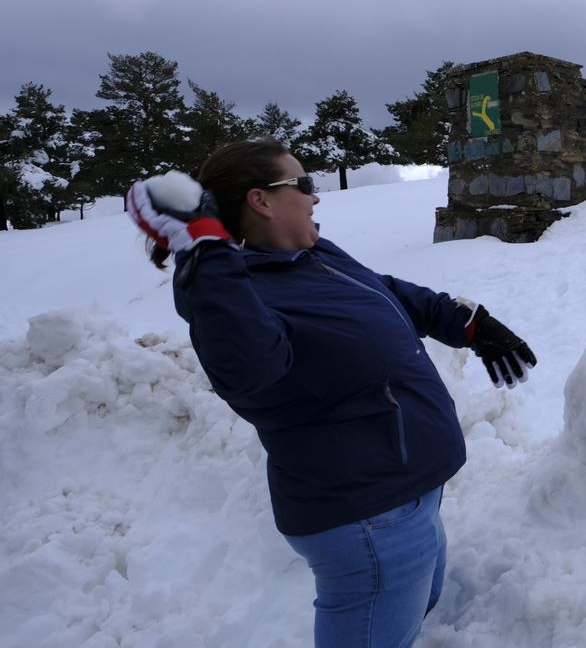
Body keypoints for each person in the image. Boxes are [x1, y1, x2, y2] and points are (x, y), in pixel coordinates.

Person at [124, 139, 537, 648]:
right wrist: (207, 254)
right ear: (262, 200)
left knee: (418, 604)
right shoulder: (237, 299)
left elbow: (380, 288)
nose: (315, 197)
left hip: (411, 491)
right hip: (367, 520)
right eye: (304, 184)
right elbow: (251, 369)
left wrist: (470, 324)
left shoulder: (311, 255)